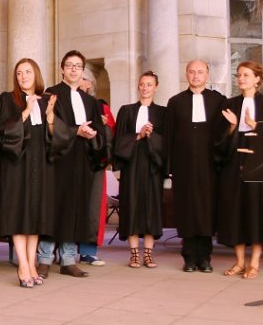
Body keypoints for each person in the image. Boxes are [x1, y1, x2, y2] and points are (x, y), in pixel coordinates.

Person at [37, 50, 109, 279]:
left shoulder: (90, 101)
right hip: (57, 161)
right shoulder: (51, 95)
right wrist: (74, 131)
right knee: (53, 209)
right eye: (69, 65)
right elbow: (47, 126)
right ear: (62, 69)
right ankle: (44, 259)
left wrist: (91, 134)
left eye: (78, 66)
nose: (74, 69)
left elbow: (100, 132)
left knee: (75, 209)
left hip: (81, 161)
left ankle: (68, 260)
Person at [0, 59, 61, 287]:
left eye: (28, 72)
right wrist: (25, 112)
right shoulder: (7, 99)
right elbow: (2, 131)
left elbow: (55, 138)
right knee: (17, 212)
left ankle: (32, 263)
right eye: (19, 72)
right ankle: (23, 265)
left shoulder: (46, 101)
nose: (24, 76)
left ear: (36, 74)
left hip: (40, 165)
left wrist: (51, 116)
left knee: (35, 213)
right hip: (16, 166)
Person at [215, 60, 263, 279]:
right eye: (239, 75)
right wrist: (233, 126)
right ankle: (240, 262)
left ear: (258, 79)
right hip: (234, 166)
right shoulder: (230, 104)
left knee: (257, 211)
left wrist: (256, 126)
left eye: (246, 75)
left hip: (260, 166)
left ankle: (254, 263)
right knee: (236, 212)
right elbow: (219, 143)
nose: (241, 79)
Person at [167, 60, 225, 272]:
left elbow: (222, 133)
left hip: (209, 166)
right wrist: (169, 166)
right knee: (187, 210)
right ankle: (189, 258)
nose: (196, 75)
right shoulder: (176, 102)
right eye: (192, 72)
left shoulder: (218, 101)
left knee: (206, 211)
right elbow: (169, 137)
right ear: (186, 74)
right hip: (183, 166)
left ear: (207, 75)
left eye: (200, 72)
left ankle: (205, 258)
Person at [114, 71, 169, 269]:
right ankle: (134, 254)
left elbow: (166, 143)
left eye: (149, 84)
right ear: (138, 86)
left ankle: (148, 254)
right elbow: (119, 141)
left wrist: (151, 136)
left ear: (156, 87)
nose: (145, 88)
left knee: (150, 208)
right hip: (132, 166)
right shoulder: (126, 111)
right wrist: (138, 135)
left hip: (152, 166)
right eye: (142, 84)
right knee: (131, 207)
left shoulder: (163, 113)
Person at [78, 72, 114, 266]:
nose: (83, 84)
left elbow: (111, 136)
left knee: (92, 208)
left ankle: (88, 251)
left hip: (94, 163)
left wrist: (105, 125)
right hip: (72, 162)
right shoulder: (65, 101)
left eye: (87, 81)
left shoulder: (101, 107)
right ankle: (63, 251)